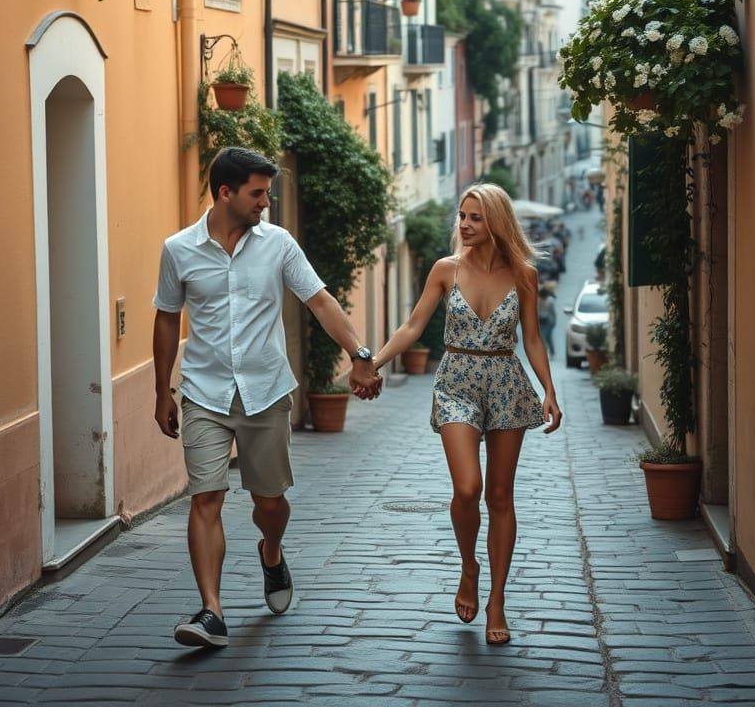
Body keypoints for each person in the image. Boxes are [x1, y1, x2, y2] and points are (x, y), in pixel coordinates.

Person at [152, 147, 382, 650]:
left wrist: (360, 352)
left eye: (267, 191)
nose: (266, 201)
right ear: (225, 192)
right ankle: (212, 611)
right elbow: (167, 316)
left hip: (266, 393)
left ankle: (271, 552)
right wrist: (161, 390)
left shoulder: (278, 244)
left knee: (270, 502)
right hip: (204, 392)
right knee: (206, 497)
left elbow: (319, 299)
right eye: (258, 193)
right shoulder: (179, 249)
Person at [372, 184, 562, 646]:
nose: (464, 224)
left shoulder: (524, 274)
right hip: (455, 380)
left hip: (506, 384)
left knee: (500, 496)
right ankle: (468, 564)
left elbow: (532, 338)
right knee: (467, 487)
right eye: (462, 215)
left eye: (474, 217)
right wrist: (371, 362)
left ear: (496, 221)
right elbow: (414, 325)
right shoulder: (445, 270)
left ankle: (497, 597)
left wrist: (549, 390)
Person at [537, 284, 557, 356]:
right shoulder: (538, 300)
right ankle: (544, 352)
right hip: (540, 320)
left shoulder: (550, 301)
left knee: (547, 336)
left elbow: (553, 312)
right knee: (543, 337)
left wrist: (554, 321)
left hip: (549, 321)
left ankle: (551, 351)